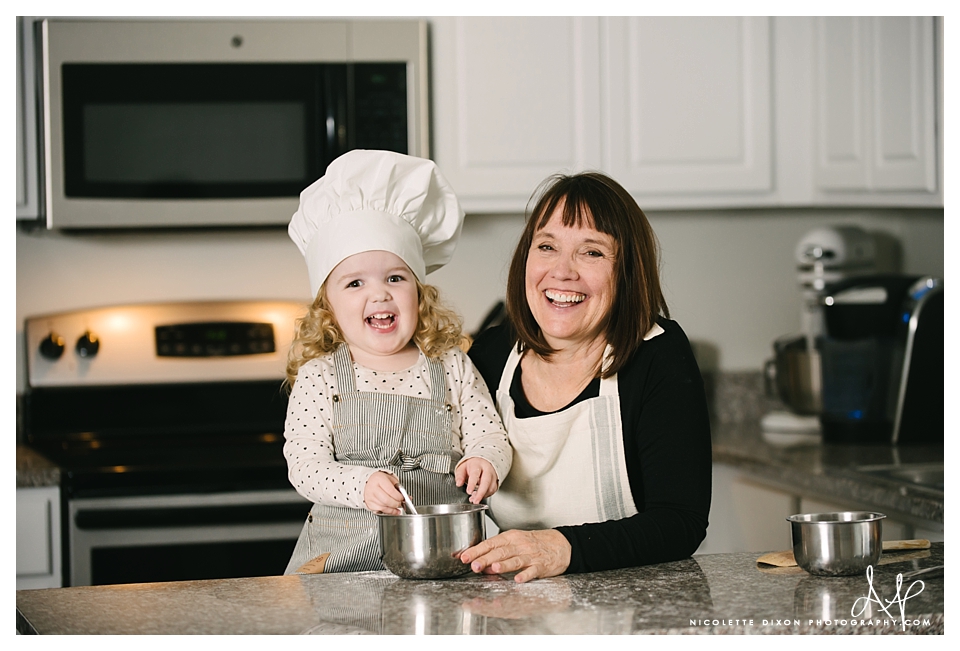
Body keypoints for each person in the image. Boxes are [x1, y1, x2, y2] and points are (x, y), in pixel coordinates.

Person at [459, 171, 712, 583]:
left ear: (626, 271)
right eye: (546, 247)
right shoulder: (490, 353)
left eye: (591, 252)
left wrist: (562, 547)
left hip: (634, 611)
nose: (562, 272)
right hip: (514, 611)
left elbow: (680, 522)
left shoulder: (658, 354)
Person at [283, 150, 512, 575]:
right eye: (354, 283)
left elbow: (490, 436)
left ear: (419, 293)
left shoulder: (451, 365)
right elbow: (305, 467)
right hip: (341, 563)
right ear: (328, 309)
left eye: (395, 277)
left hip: (449, 554)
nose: (380, 294)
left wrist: (484, 461)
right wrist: (360, 484)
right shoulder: (320, 378)